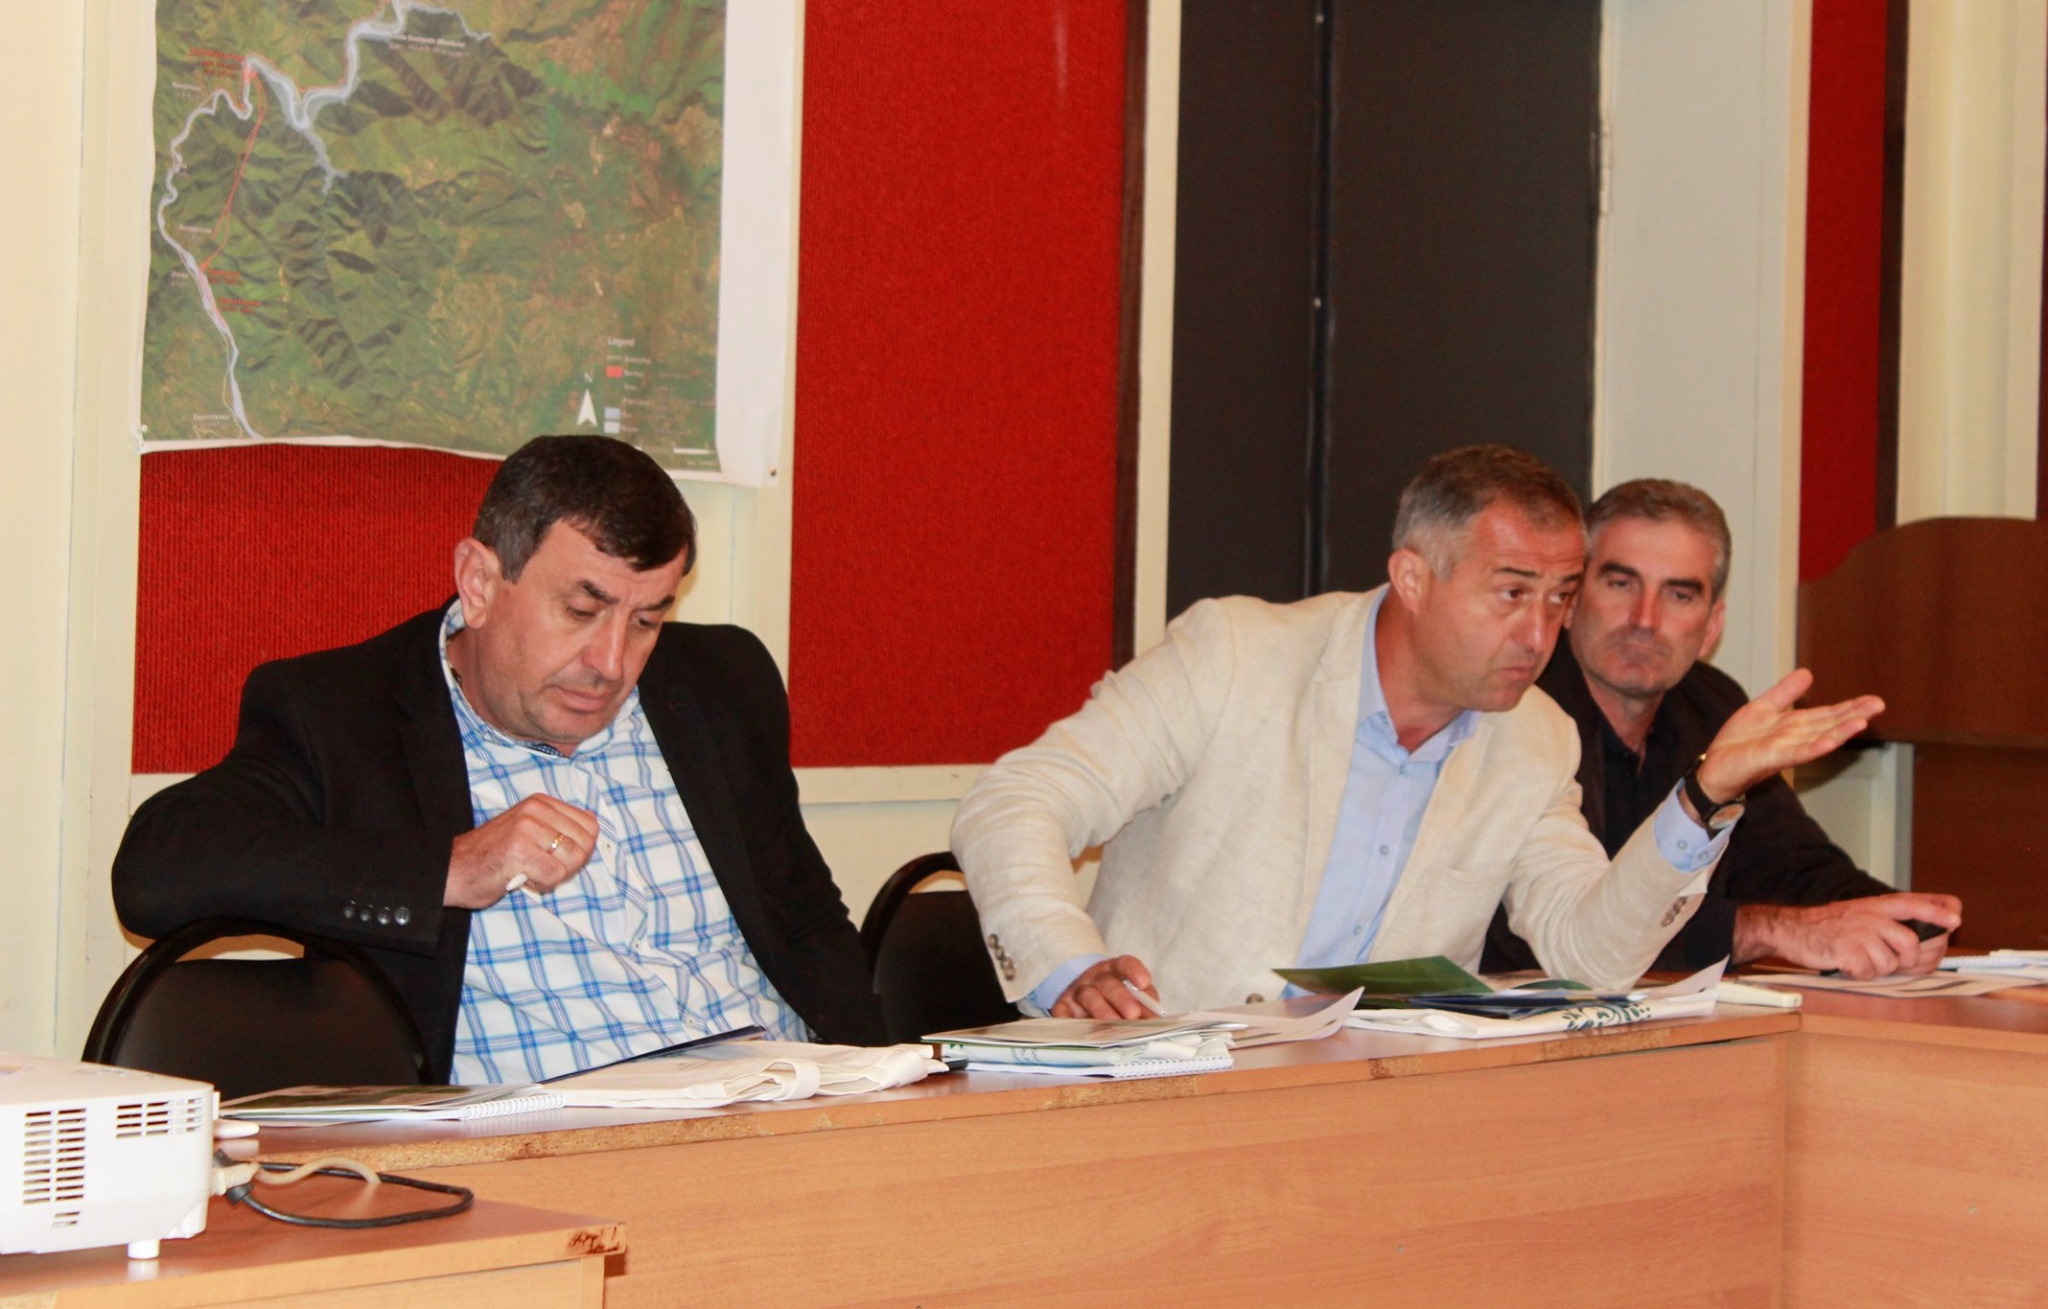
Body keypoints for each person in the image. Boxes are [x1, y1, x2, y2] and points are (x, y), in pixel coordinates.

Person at [953, 445, 1887, 1020]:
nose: (1539, 634)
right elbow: (1016, 800)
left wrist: (1703, 795)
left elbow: (1591, 952)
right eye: (1511, 592)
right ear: (1411, 577)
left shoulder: (1534, 736)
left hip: (1376, 1112)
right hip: (1169, 1079)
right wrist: (1067, 963)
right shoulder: (1237, 654)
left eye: (1560, 597)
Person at [114, 435, 884, 1082]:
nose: (611, 662)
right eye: (581, 610)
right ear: (480, 582)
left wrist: (885, 1082)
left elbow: (809, 921)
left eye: (648, 619)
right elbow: (156, 870)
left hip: (795, 1113)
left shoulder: (721, 683)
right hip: (553, 1160)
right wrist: (450, 869)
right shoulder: (344, 714)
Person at [1483, 478, 1960, 980]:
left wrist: (1894, 919)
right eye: (1621, 584)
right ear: (1571, 601)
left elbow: (1791, 867)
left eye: (1679, 594)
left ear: (1712, 626)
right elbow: (1547, 937)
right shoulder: (1515, 712)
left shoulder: (1710, 705)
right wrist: (1775, 931)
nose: (1645, 619)